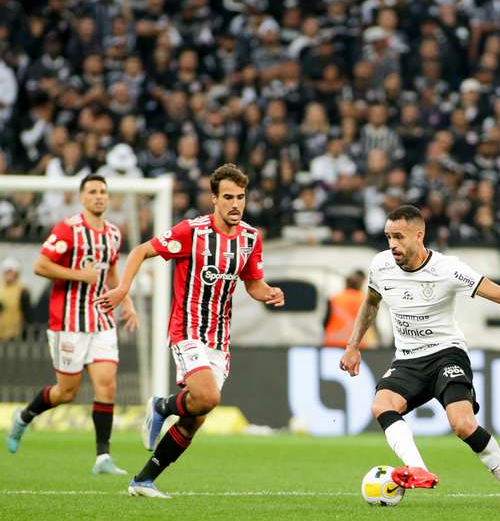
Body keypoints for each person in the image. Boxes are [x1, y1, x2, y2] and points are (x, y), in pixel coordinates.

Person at [97, 164, 284, 498]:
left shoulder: (250, 239)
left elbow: (253, 283)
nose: (235, 204)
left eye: (240, 197)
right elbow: (142, 251)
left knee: (195, 417)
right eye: (228, 197)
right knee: (209, 397)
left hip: (218, 340)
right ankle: (161, 406)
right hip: (187, 329)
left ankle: (143, 480)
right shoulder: (192, 232)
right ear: (214, 198)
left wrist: (269, 292)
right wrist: (124, 288)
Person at [339, 205, 500, 509]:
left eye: (399, 237)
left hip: (447, 354)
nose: (392, 244)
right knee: (382, 405)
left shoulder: (448, 268)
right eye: (388, 237)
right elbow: (371, 303)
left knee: (462, 424)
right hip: (407, 359)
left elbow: (499, 294)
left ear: (419, 235)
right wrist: (353, 345)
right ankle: (417, 469)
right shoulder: (380, 265)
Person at [6, 174, 138, 476]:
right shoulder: (69, 228)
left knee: (107, 385)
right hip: (68, 322)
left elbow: (112, 271)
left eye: (103, 191)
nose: (99, 196)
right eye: (92, 191)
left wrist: (125, 301)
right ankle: (24, 416)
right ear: (82, 198)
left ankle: (102, 457)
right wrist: (80, 275)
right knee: (67, 392)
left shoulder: (113, 234)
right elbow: (41, 265)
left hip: (101, 319)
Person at [323, 270, 377, 348]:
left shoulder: (334, 299)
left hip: (334, 343)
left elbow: (325, 321)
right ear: (361, 284)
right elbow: (372, 323)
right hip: (357, 345)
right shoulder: (366, 300)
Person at [0, 256, 32, 341]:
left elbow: (28, 312)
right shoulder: (1, 287)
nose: (9, 275)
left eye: (11, 272)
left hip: (16, 333)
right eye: (7, 272)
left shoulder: (23, 289)